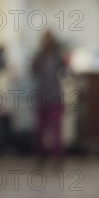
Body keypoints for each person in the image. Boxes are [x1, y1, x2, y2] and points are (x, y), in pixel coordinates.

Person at [31, 30, 67, 163]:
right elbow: (33, 72)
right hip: (41, 97)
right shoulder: (38, 57)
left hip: (55, 97)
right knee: (40, 129)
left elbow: (64, 73)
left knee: (56, 129)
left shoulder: (58, 57)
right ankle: (41, 155)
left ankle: (58, 156)